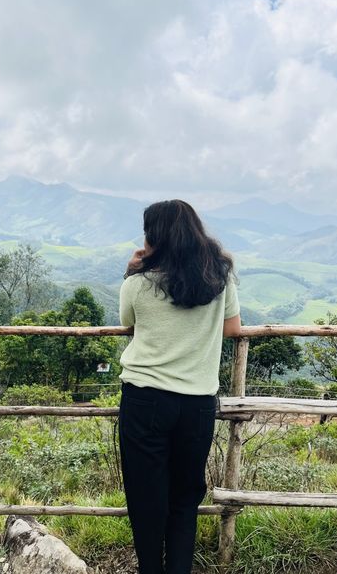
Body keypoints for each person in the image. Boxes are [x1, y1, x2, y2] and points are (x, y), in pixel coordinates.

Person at [118, 199, 241, 574]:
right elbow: (233, 329)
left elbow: (127, 322)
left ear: (155, 237)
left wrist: (130, 269)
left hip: (145, 399)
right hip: (198, 403)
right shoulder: (219, 277)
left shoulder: (139, 283)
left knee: (146, 499)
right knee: (185, 499)